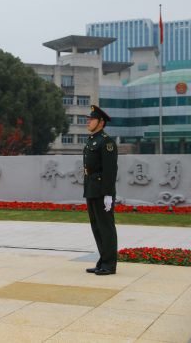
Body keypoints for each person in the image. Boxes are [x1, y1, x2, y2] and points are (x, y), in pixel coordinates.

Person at [83, 105, 118, 276]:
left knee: (106, 227)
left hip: (102, 190)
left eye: (92, 119)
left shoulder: (107, 142)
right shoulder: (92, 140)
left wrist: (108, 195)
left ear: (101, 122)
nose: (88, 121)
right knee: (97, 227)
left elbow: (110, 171)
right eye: (89, 119)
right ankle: (103, 261)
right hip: (91, 187)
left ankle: (110, 264)